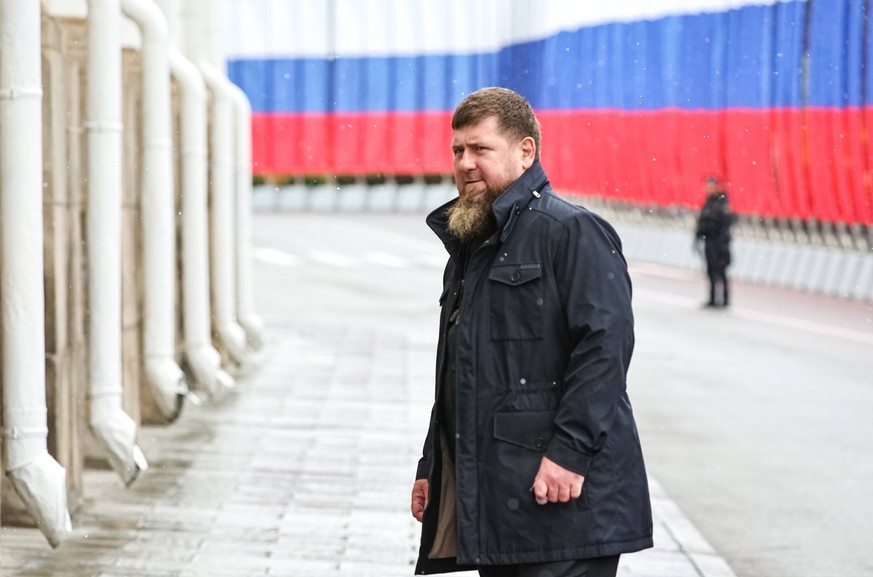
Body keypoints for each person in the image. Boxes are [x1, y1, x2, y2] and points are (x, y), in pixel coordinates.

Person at [410, 87, 653, 577]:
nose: (466, 163)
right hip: (504, 505)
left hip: (566, 501)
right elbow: (463, 371)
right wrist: (432, 467)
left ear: (526, 152)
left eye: (481, 149)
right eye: (458, 150)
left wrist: (570, 453)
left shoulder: (571, 231)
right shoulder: (474, 247)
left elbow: (604, 350)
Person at [694, 176, 735, 308]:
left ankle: (724, 299)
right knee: (711, 270)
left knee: (721, 270)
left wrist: (721, 241)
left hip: (719, 242)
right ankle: (712, 298)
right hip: (710, 241)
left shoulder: (721, 204)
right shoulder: (709, 202)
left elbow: (725, 223)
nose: (708, 189)